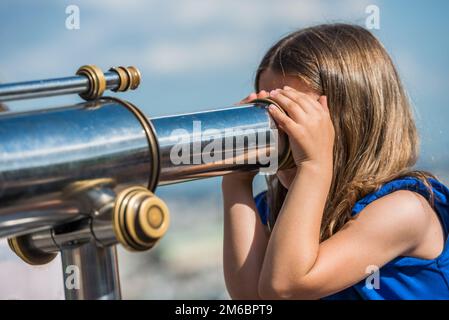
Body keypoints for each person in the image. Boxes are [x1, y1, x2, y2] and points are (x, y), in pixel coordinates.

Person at [222, 23, 449, 300]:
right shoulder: (269, 211)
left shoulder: (404, 210)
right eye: (265, 117)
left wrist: (313, 165)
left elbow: (285, 288)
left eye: (292, 113)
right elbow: (252, 300)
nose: (276, 134)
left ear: (353, 120)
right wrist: (236, 178)